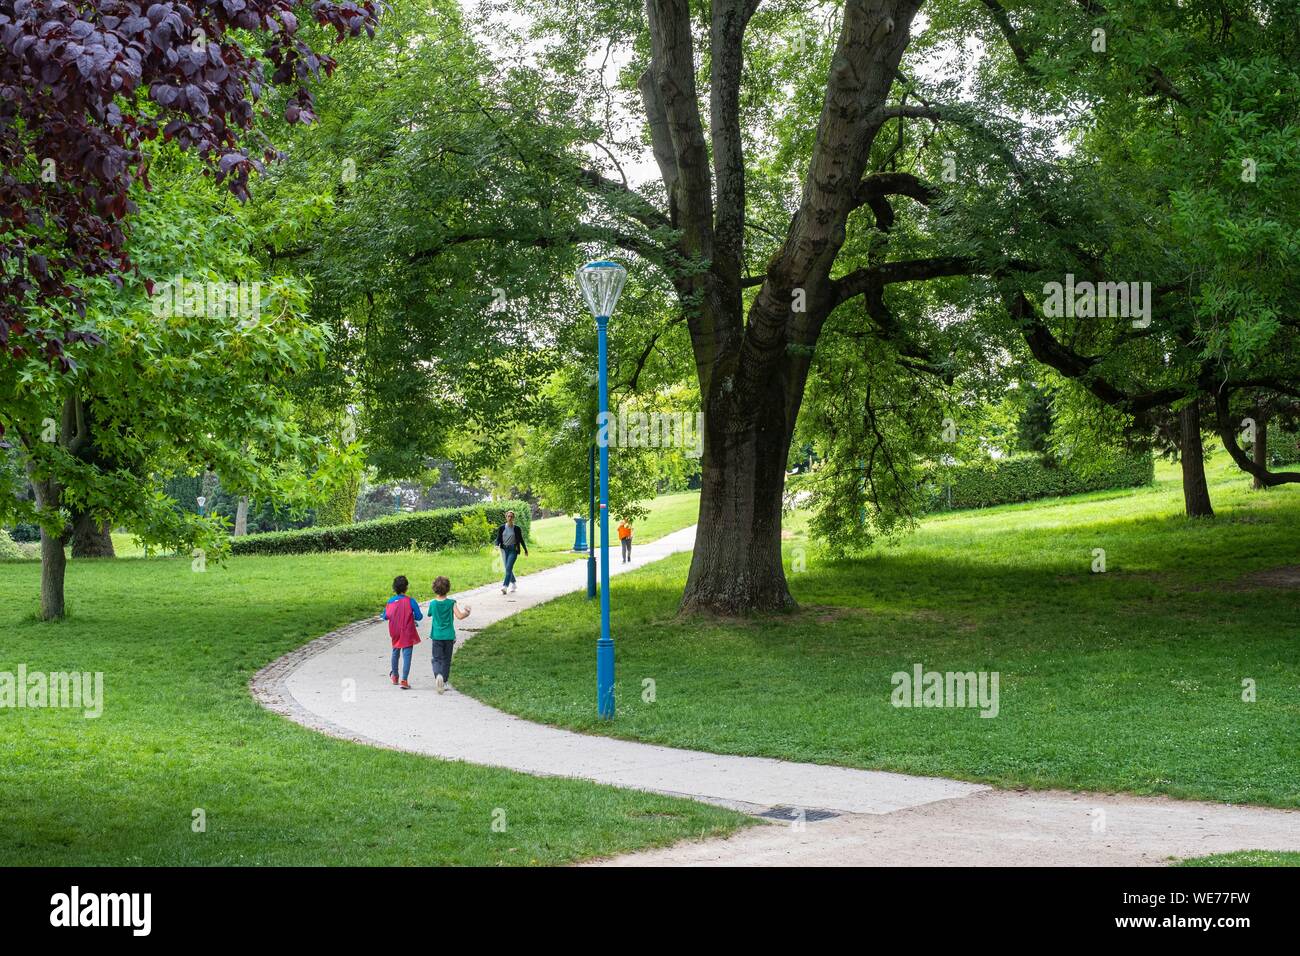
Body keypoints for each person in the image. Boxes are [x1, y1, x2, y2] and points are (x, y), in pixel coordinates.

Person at [427, 576, 471, 694]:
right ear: (448, 589)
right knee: (446, 659)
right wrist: (467, 612)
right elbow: (460, 616)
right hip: (449, 636)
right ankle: (444, 681)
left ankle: (438, 676)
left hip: (436, 636)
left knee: (436, 659)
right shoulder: (452, 603)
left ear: (434, 589)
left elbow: (429, 614)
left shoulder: (433, 604)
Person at [381, 575, 422, 689]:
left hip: (395, 631)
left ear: (394, 588)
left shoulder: (390, 601)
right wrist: (412, 615)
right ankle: (404, 680)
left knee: (395, 652)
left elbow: (385, 616)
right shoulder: (411, 601)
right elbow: (419, 617)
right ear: (406, 588)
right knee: (407, 655)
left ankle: (395, 676)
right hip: (407, 631)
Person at [493, 510, 529, 594]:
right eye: (508, 516)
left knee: (508, 568)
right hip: (504, 550)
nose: (510, 518)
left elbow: (521, 540)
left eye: (511, 516)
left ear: (514, 518)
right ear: (506, 517)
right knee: (508, 568)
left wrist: (525, 550)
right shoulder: (502, 528)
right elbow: (498, 538)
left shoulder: (517, 528)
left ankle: (505, 586)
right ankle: (514, 583)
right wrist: (496, 545)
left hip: (513, 550)